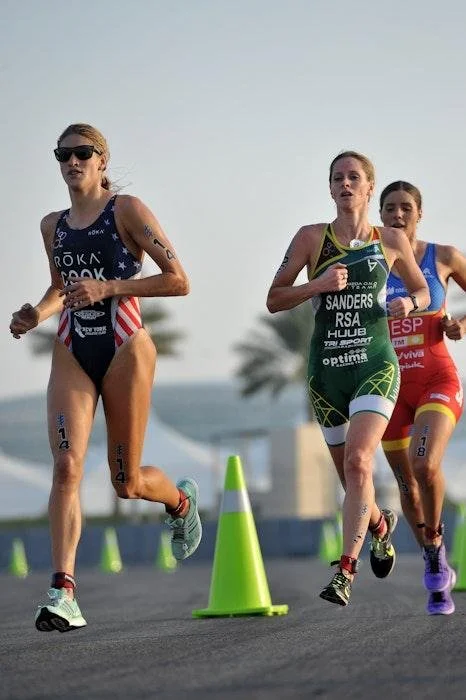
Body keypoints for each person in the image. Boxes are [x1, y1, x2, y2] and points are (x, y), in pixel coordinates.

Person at [9, 123, 202, 633]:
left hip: (125, 348)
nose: (72, 162)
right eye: (63, 154)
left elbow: (179, 279)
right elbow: (61, 288)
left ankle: (179, 501)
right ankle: (62, 590)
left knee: (126, 483)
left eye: (82, 153)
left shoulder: (127, 210)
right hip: (73, 349)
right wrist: (37, 314)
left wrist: (110, 287)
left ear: (102, 160)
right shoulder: (52, 224)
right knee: (67, 466)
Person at [266, 151, 430, 606]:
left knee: (360, 463)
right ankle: (379, 525)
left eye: (353, 178)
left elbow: (422, 290)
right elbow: (274, 298)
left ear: (369, 187)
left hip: (375, 365)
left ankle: (345, 572)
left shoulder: (391, 239)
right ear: (331, 188)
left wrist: (410, 305)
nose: (345, 184)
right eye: (337, 178)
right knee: (350, 479)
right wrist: (317, 285)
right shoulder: (310, 238)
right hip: (326, 374)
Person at [380, 180, 466, 615]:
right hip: (387, 389)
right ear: (380, 215)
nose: (398, 215)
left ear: (419, 213)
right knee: (405, 486)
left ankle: (434, 541)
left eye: (406, 208)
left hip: (436, 379)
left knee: (423, 464)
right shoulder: (368, 263)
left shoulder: (444, 257)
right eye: (390, 208)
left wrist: (462, 326)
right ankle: (433, 561)